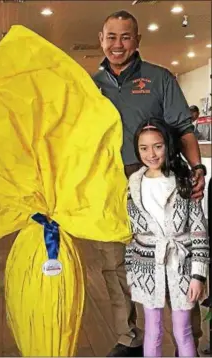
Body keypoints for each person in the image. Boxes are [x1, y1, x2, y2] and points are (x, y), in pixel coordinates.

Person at [92, 10, 207, 356]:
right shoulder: (90, 84)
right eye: (111, 37)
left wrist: (197, 169)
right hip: (109, 185)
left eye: (125, 37)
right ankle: (129, 336)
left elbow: (183, 130)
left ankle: (189, 337)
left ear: (137, 40)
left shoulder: (159, 79)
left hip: (159, 180)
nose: (117, 44)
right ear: (101, 40)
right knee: (114, 262)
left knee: (176, 255)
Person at [125, 119, 209, 357]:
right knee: (152, 330)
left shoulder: (184, 181)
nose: (151, 154)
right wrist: (132, 273)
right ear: (137, 149)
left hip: (181, 266)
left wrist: (198, 275)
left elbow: (199, 231)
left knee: (183, 330)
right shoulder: (134, 186)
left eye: (158, 146)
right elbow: (133, 235)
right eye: (144, 148)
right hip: (146, 268)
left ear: (168, 146)